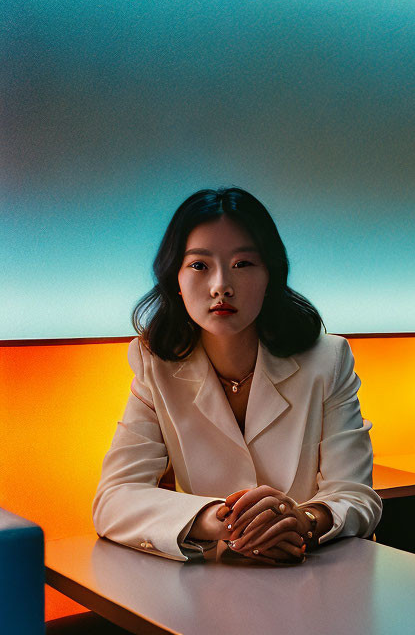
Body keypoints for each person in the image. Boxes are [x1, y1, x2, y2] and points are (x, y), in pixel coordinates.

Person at [92, 187, 382, 563]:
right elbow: (113, 499)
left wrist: (304, 520)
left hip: (318, 571)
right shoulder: (155, 365)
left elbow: (357, 496)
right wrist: (221, 520)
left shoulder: (328, 359)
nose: (220, 286)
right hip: (214, 582)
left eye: (243, 264)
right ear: (175, 280)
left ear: (270, 276)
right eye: (199, 265)